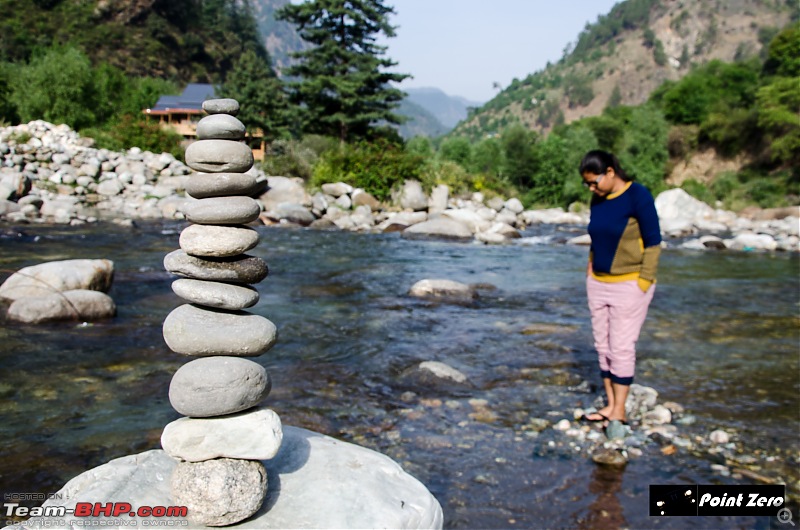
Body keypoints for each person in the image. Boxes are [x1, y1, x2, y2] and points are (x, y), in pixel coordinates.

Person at [578, 150, 661, 437]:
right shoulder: (597, 199)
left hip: (630, 284)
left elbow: (653, 242)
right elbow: (595, 238)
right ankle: (611, 404)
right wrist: (590, 270)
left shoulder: (638, 195)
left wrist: (644, 281)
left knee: (621, 347)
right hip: (598, 283)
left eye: (594, 182)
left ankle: (620, 411)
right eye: (587, 184)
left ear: (611, 172)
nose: (591, 188)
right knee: (602, 346)